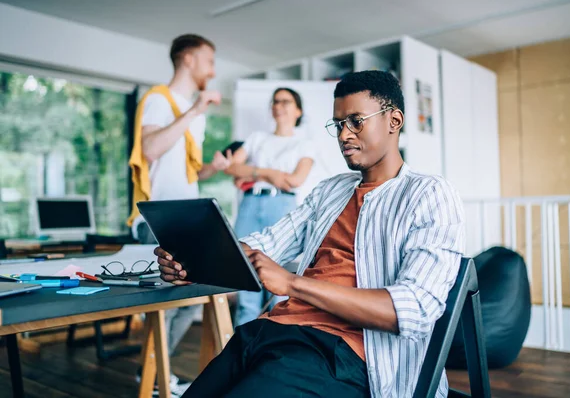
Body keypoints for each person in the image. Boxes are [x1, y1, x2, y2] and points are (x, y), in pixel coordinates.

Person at [157, 70, 465, 398]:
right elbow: (268, 242)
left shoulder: (429, 193)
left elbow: (414, 309)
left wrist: (292, 284)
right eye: (338, 124)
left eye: (356, 121)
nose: (344, 134)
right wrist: (194, 257)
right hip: (265, 333)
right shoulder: (331, 191)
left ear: (394, 120)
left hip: (338, 353)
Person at [127, 34, 230, 397]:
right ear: (188, 59)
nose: (213, 71)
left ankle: (156, 374)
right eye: (209, 61)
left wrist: (211, 169)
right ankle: (153, 378)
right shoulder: (159, 100)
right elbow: (151, 149)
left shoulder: (189, 110)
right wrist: (193, 112)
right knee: (171, 301)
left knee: (196, 294)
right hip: (158, 220)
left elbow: (185, 170)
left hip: (183, 219)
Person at [223, 87, 315, 327]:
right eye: (275, 101)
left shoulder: (305, 144)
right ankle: (240, 348)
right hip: (251, 204)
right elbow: (232, 168)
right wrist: (270, 173)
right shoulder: (257, 138)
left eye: (286, 101)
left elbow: (295, 180)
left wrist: (252, 172)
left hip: (283, 204)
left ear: (298, 110)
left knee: (279, 286)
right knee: (244, 273)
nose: (279, 105)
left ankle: (272, 347)